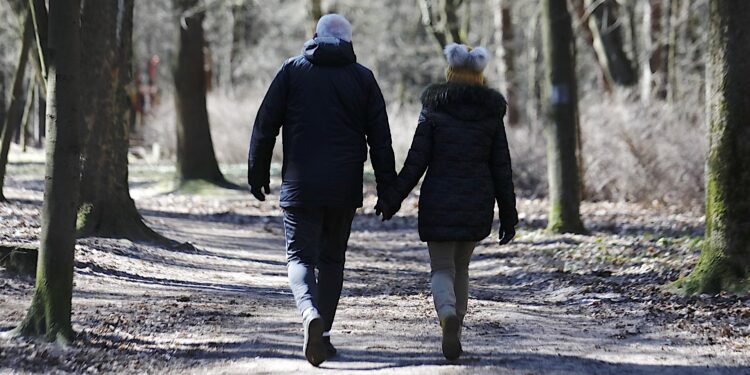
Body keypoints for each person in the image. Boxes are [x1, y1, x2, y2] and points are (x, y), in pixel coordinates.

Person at [247, 14, 396, 366]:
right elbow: (381, 142)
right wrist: (388, 191)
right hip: (343, 188)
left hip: (300, 185)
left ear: (315, 36)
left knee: (300, 258)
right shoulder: (363, 79)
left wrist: (257, 172)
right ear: (348, 42)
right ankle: (323, 336)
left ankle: (309, 312)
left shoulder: (292, 71)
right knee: (332, 260)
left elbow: (265, 125)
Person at [376, 43, 518, 361]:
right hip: (477, 201)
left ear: (450, 73)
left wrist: (392, 199)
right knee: (462, 267)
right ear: (480, 77)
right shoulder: (492, 115)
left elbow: (416, 162)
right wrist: (509, 215)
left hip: (439, 198)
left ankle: (446, 314)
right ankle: (456, 327)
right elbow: (501, 168)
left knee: (442, 267)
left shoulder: (435, 110)